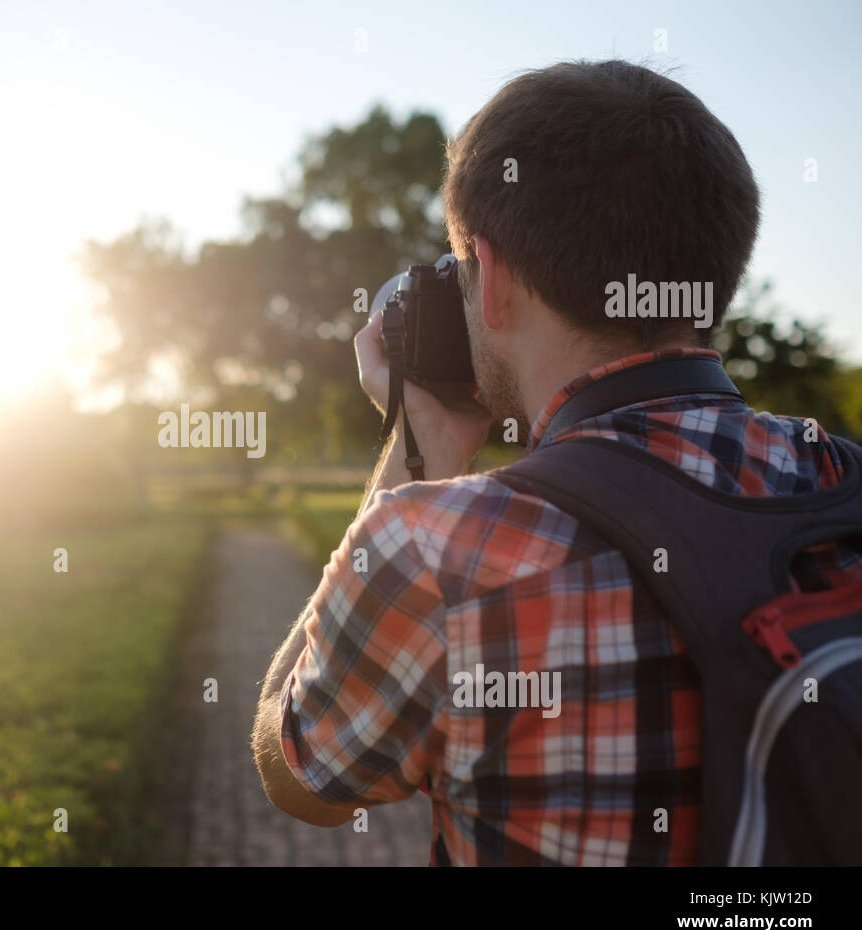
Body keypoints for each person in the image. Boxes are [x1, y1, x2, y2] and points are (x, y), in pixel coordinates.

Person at [250, 59, 861, 865]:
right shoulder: (841, 477)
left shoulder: (440, 551)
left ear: (493, 278)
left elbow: (302, 773)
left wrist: (417, 447)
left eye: (464, 278)